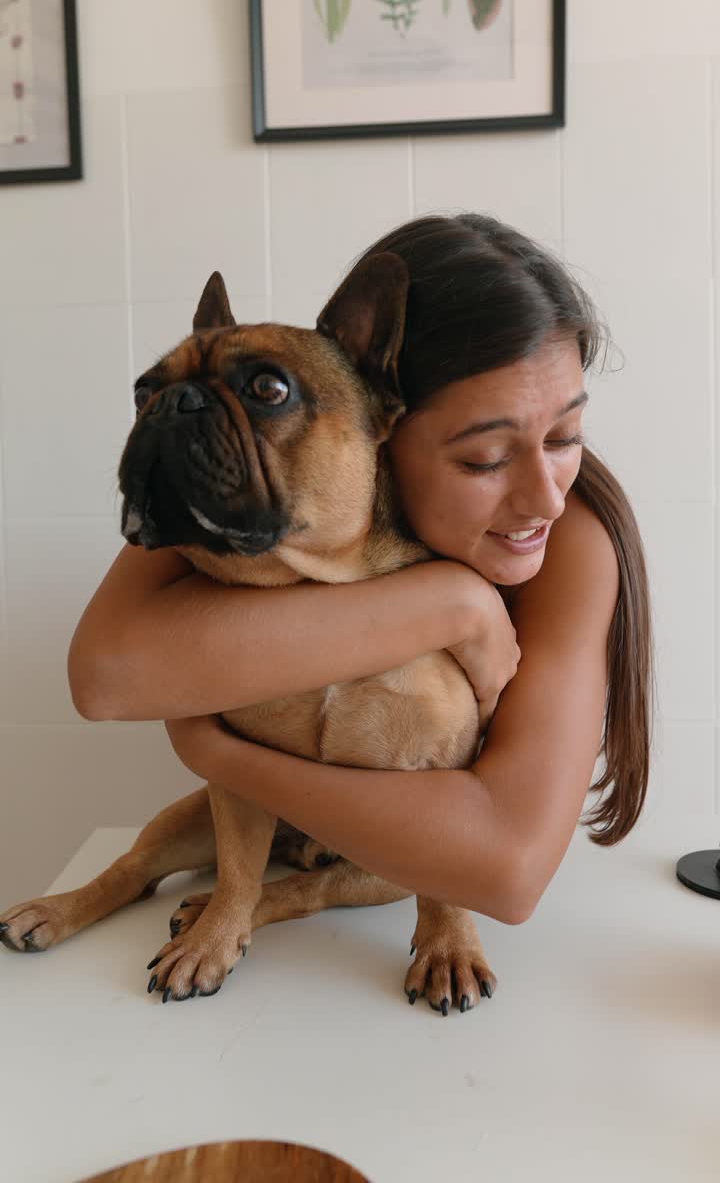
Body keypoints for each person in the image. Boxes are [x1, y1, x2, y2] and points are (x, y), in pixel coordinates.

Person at [68, 214, 655, 926]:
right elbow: (104, 678)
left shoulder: (573, 536)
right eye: (483, 458)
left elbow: (507, 872)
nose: (547, 496)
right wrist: (452, 604)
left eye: (567, 436)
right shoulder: (245, 476)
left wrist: (223, 757)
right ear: (382, 434)